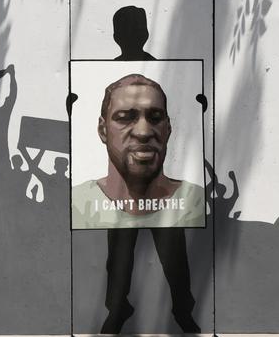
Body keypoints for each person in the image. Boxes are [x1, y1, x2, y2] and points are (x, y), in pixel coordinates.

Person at [71, 74, 205, 228]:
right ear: (103, 130)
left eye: (155, 118)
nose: (143, 132)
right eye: (125, 118)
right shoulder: (76, 205)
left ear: (167, 129)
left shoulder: (198, 203)